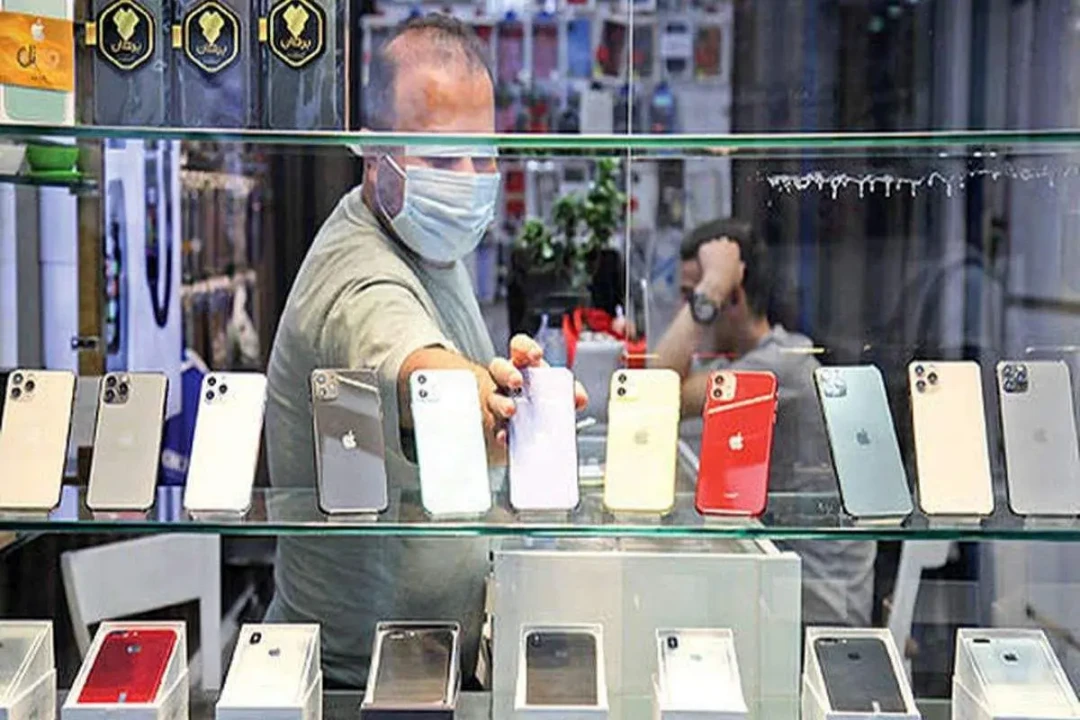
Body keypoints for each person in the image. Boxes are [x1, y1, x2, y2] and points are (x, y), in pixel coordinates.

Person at [262, 14, 585, 687]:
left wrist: (513, 406)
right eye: (439, 158)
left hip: (430, 667)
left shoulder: (426, 240)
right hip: (357, 685)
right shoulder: (357, 278)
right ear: (374, 154)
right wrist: (496, 401)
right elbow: (421, 376)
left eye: (483, 155)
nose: (467, 178)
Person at [653, 217, 876, 626]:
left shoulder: (777, 369)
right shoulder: (753, 362)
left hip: (813, 609)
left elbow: (657, 395)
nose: (687, 313)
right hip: (778, 583)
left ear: (732, 298)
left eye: (692, 298)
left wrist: (711, 287)